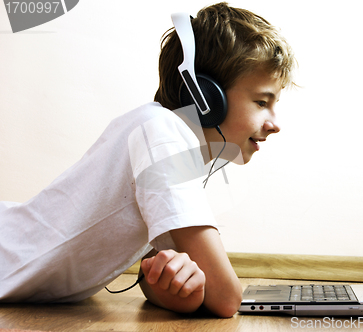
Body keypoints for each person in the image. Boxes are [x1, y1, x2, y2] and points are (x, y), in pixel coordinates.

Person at [0, 2, 296, 318]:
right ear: (205, 97)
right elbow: (227, 299)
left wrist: (182, 287)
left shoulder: (167, 140)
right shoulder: (163, 135)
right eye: (262, 102)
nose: (275, 123)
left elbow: (152, 273)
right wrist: (206, 290)